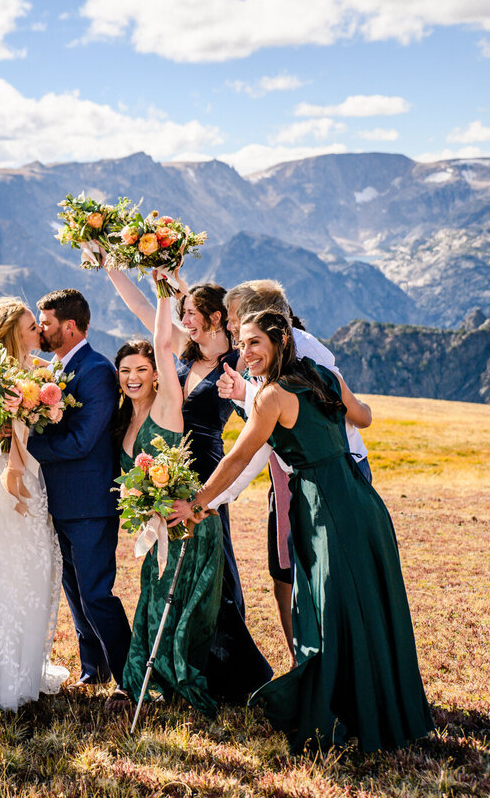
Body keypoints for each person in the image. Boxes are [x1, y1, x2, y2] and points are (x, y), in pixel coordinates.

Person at [169, 310, 433, 753]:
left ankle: (350, 711)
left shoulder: (271, 396)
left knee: (335, 610)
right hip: (360, 499)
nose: (245, 352)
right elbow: (364, 417)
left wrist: (197, 502)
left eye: (255, 343)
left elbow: (235, 458)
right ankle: (384, 708)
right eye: (241, 342)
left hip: (324, 506)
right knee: (361, 605)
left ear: (279, 343)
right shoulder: (320, 376)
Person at [103, 267, 273, 703]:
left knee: (212, 571)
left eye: (192, 314)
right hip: (167, 460)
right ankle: (166, 660)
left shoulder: (237, 361)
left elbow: (257, 414)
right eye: (182, 313)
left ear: (217, 318)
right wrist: (113, 269)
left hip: (206, 469)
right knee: (166, 568)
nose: (186, 321)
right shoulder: (184, 349)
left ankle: (223, 666)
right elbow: (144, 310)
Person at [217, 280, 370, 661]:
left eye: (236, 320)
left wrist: (209, 498)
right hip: (296, 474)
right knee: (287, 572)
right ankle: (308, 660)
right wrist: (245, 395)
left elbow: (281, 423)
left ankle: (324, 662)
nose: (231, 329)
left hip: (325, 476)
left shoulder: (300, 362)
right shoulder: (273, 364)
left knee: (321, 576)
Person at [113, 283, 226, 715]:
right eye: (124, 370)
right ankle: (139, 680)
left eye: (141, 369)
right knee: (151, 598)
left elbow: (162, 339)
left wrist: (164, 287)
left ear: (158, 373)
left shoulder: (167, 406)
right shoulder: (126, 419)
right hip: (157, 527)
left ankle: (161, 680)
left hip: (188, 524)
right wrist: (112, 266)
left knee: (173, 604)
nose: (133, 378)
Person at [0, 297, 69, 709]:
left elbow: (53, 422)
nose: (38, 331)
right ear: (12, 332)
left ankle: (24, 669)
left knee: (31, 568)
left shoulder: (44, 377)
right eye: (30, 325)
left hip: (31, 479)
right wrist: (0, 431)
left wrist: (35, 418)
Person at [25, 289, 131, 696]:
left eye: (47, 324)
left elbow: (83, 441)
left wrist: (21, 444)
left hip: (90, 503)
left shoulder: (96, 371)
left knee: (95, 592)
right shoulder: (54, 368)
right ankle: (95, 668)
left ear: (70, 327)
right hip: (61, 501)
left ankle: (129, 675)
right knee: (75, 590)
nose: (41, 331)